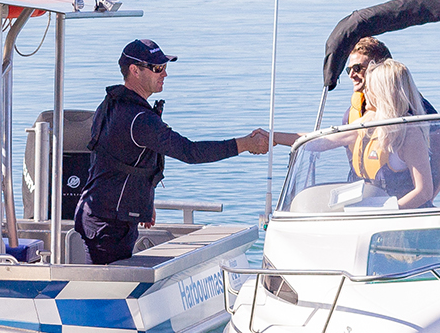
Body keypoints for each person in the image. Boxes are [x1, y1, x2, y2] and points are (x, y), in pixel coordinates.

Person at [74, 39, 298, 265]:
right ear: (135, 71)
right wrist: (245, 144)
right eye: (157, 68)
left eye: (165, 68)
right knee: (105, 290)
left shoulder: (110, 104)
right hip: (109, 222)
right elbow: (190, 152)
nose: (165, 74)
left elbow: (118, 159)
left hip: (103, 214)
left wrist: (144, 201)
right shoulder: (139, 119)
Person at [342, 36, 440, 188]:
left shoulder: (415, 108)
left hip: (400, 202)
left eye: (357, 68)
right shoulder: (352, 113)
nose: (351, 75)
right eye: (348, 69)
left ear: (380, 67)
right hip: (362, 200)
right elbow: (334, 140)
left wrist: (425, 200)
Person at [352, 60, 439, 208]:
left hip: (404, 219)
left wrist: (386, 212)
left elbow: (424, 191)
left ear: (381, 92)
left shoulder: (410, 133)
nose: (364, 92)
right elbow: (331, 139)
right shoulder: (371, 122)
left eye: (369, 87)